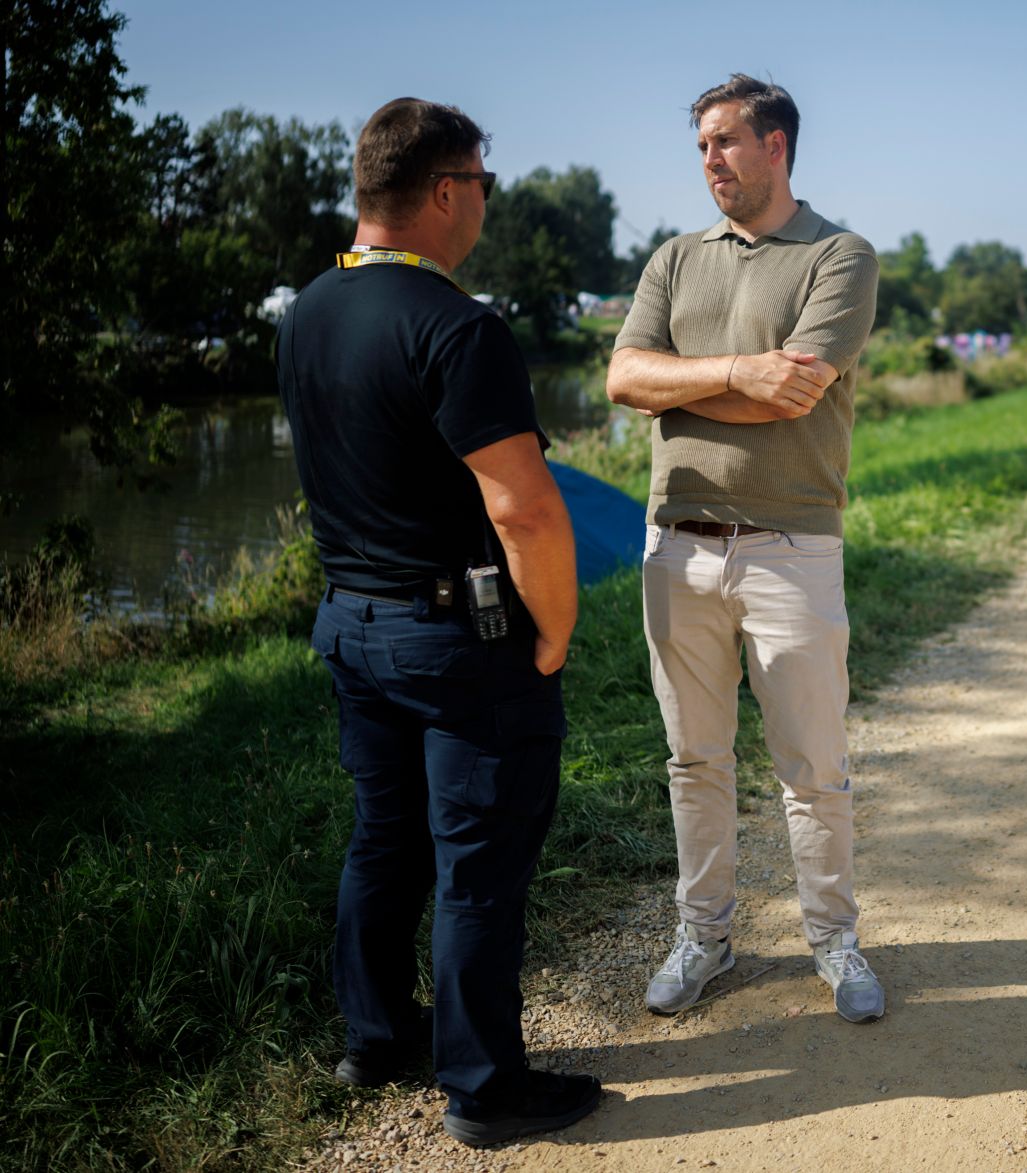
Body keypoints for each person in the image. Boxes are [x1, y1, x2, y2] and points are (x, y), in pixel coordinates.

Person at [276, 98, 600, 1148]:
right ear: (448, 191)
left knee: (384, 839)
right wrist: (551, 634)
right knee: (478, 860)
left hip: (350, 625)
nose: (486, 209)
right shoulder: (458, 327)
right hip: (457, 640)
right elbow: (524, 506)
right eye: (486, 187)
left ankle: (375, 1037)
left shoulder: (310, 309)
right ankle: (483, 1087)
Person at [605, 75, 885, 1024]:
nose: (710, 160)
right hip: (675, 546)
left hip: (792, 543)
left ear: (776, 145)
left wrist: (676, 388)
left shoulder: (839, 255)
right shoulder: (674, 261)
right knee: (695, 759)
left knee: (813, 764)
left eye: (725, 141)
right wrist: (734, 373)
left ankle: (834, 941)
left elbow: (796, 390)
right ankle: (705, 935)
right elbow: (622, 375)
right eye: (700, 147)